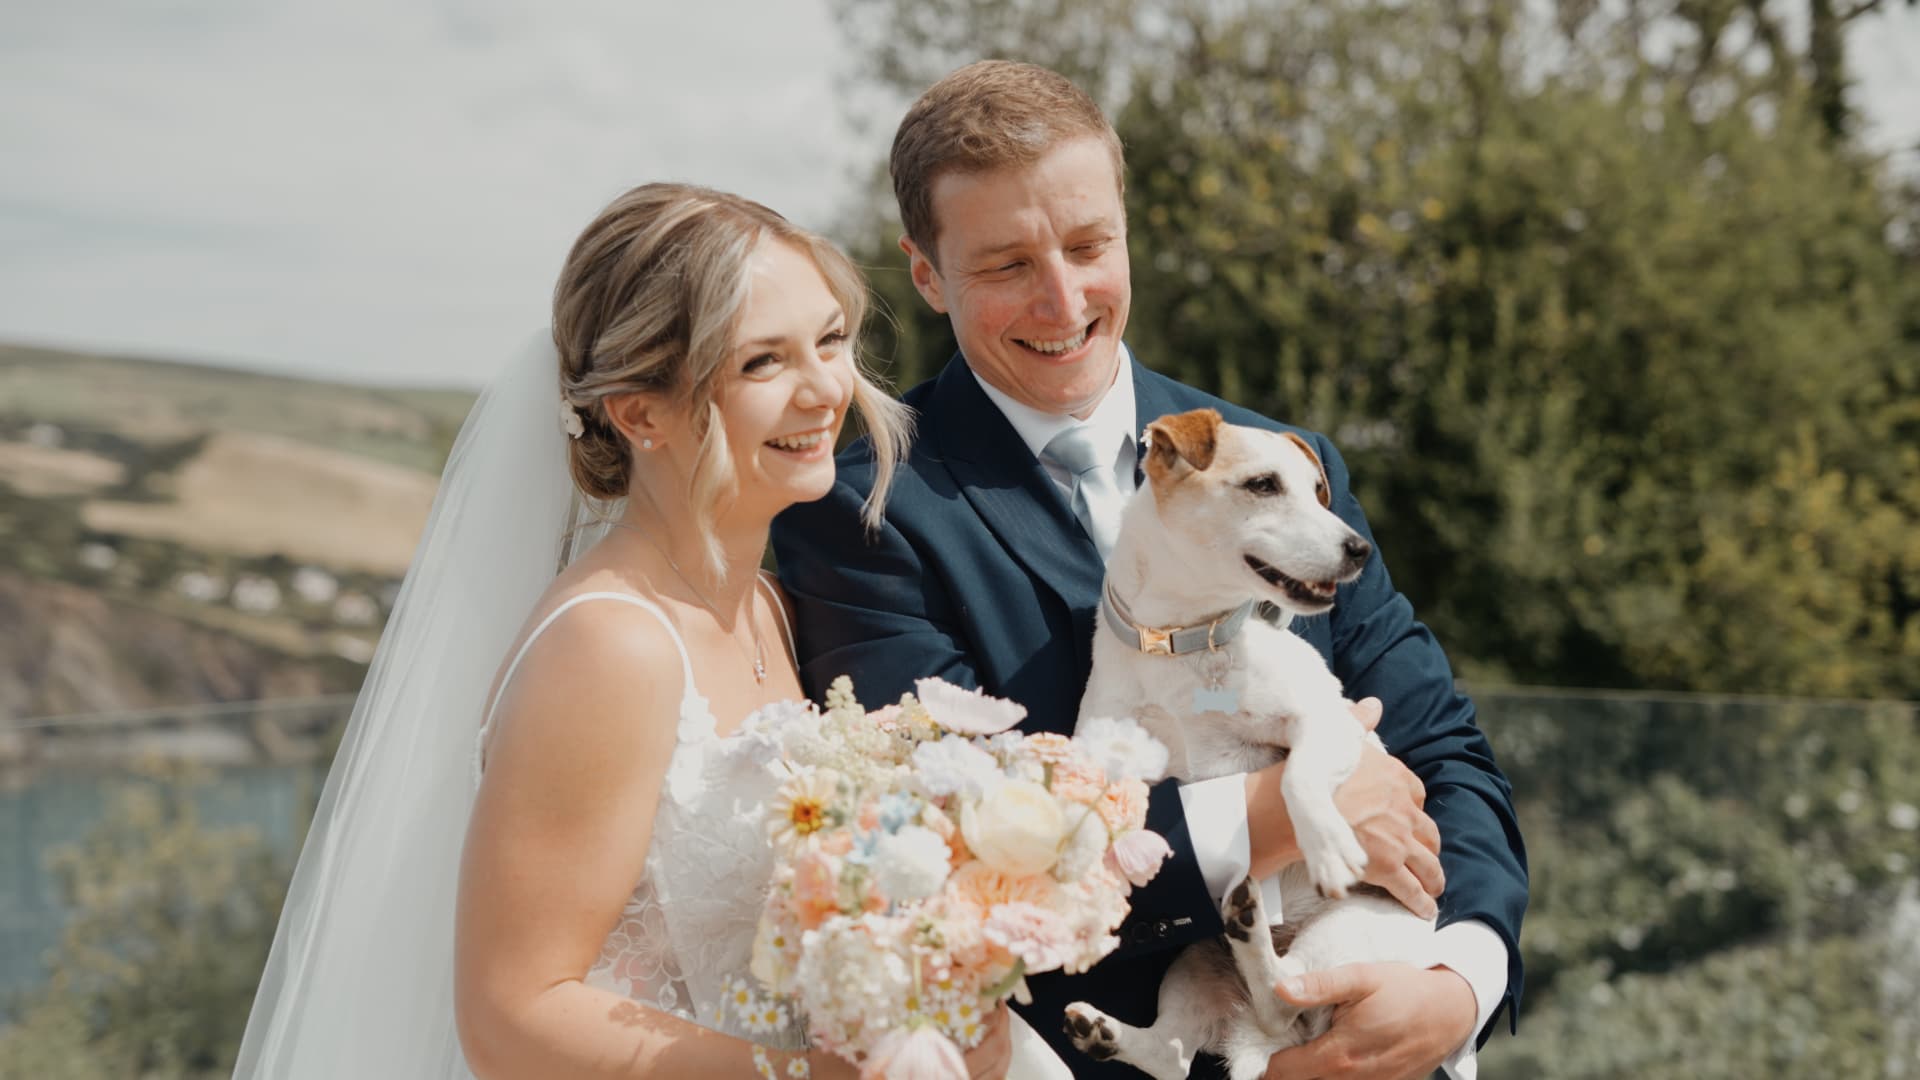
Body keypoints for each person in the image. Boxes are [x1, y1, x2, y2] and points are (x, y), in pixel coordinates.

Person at [771, 61, 1528, 1080]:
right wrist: (1270, 817)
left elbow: (1444, 746)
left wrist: (1457, 985)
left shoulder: (1287, 463)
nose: (1063, 298)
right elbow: (947, 863)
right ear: (925, 272)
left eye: (1090, 246)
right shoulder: (861, 512)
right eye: (1006, 265)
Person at [234, 183, 1014, 1078]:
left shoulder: (767, 604)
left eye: (830, 340)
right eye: (763, 363)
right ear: (642, 413)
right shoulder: (610, 646)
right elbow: (514, 1017)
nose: (825, 389)